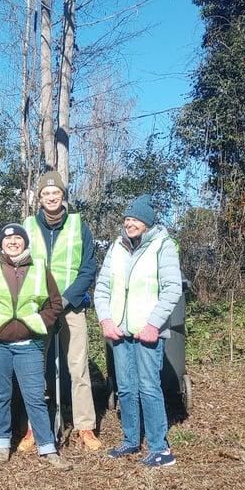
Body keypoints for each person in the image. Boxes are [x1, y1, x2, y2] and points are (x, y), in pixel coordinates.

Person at [0, 223, 69, 470]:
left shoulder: (39, 269)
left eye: (18, 239)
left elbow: (54, 304)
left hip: (29, 344)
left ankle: (47, 448)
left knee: (35, 397)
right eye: (7, 239)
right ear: (1, 244)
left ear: (25, 243)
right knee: (1, 394)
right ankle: (2, 444)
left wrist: (36, 324)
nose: (12, 242)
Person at [93, 194, 182, 468]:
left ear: (147, 223)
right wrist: (106, 320)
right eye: (127, 219)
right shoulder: (116, 247)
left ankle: (160, 449)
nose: (130, 224)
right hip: (119, 330)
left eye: (136, 220)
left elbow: (172, 289)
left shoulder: (162, 245)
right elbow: (102, 288)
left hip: (147, 331)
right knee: (126, 388)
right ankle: (131, 440)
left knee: (148, 387)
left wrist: (153, 324)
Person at [21, 171, 103, 451]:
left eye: (56, 193)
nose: (51, 197)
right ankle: (34, 428)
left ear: (63, 196)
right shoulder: (28, 226)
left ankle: (85, 427)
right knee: (34, 369)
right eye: (46, 193)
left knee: (78, 368)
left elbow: (88, 268)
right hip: (39, 308)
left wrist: (66, 300)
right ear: (39, 198)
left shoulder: (80, 226)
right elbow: (19, 266)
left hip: (72, 306)